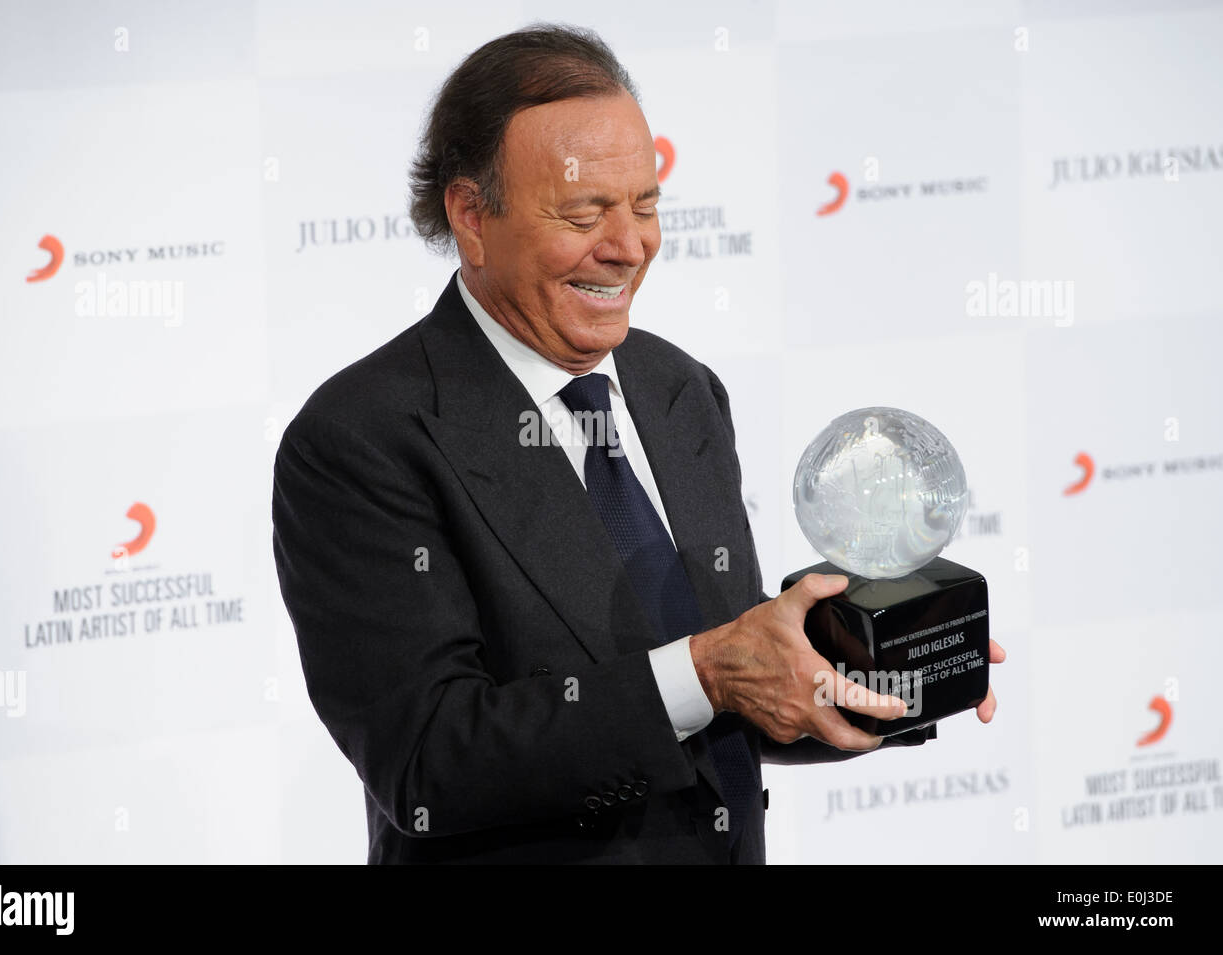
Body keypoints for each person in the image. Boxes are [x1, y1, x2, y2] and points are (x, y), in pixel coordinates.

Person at [271, 23, 1004, 864]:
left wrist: (880, 676)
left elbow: (724, 696)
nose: (628, 247)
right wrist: (713, 669)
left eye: (646, 207)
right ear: (472, 217)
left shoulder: (677, 389)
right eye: (585, 213)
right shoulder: (362, 438)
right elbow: (431, 763)